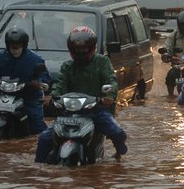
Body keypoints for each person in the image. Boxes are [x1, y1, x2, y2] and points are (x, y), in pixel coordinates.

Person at [35, 26, 128, 163]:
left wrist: (108, 97)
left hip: (96, 110)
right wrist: (53, 97)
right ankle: (38, 168)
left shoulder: (102, 62)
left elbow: (111, 81)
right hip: (69, 112)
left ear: (92, 47)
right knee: (44, 139)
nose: (81, 52)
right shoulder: (67, 66)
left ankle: (119, 154)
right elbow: (59, 84)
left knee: (118, 133)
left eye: (84, 49)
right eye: (77, 49)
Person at [0, 28, 51, 134]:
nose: (15, 48)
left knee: (38, 127)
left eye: (18, 46)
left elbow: (44, 76)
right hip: (4, 93)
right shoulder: (1, 57)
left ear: (24, 45)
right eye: (12, 46)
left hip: (28, 96)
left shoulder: (35, 59)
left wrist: (38, 82)